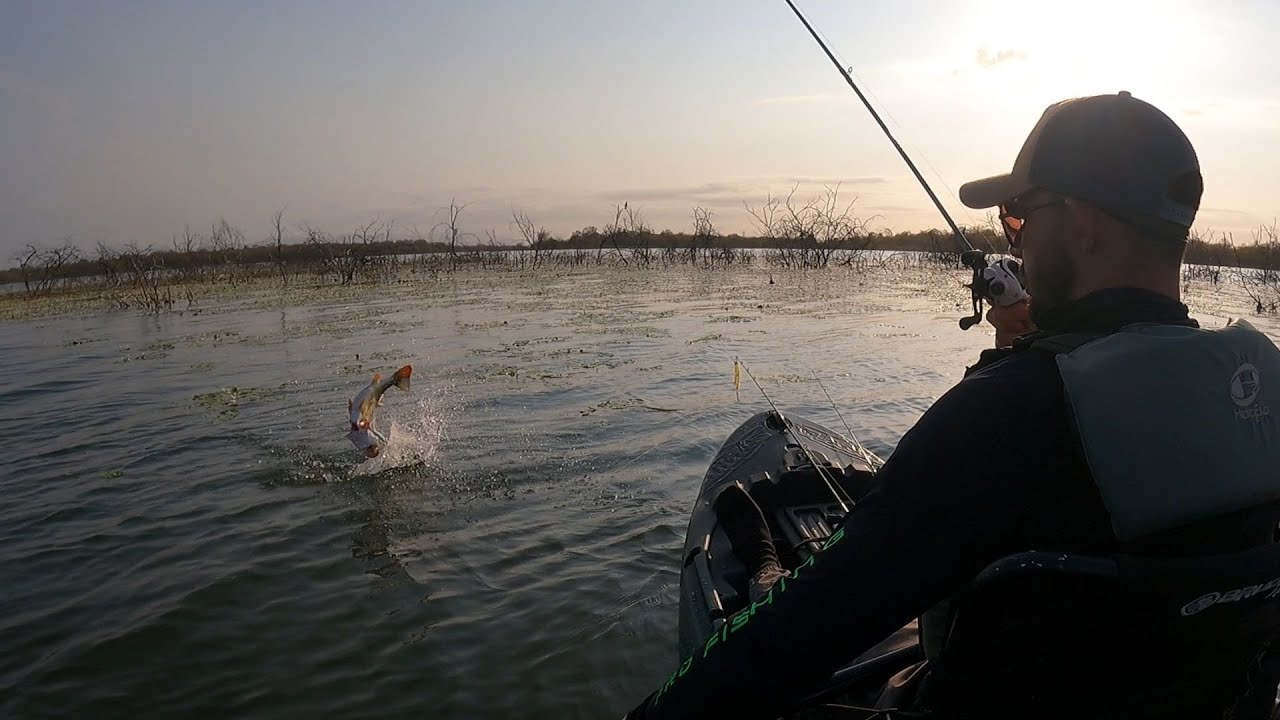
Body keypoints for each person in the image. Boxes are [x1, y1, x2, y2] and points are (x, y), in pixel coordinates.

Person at [620, 91, 1280, 719]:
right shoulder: (1264, 398)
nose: (1014, 243)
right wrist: (1039, 343)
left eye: (1019, 217)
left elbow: (789, 639)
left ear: (1080, 227)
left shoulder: (1006, 414)